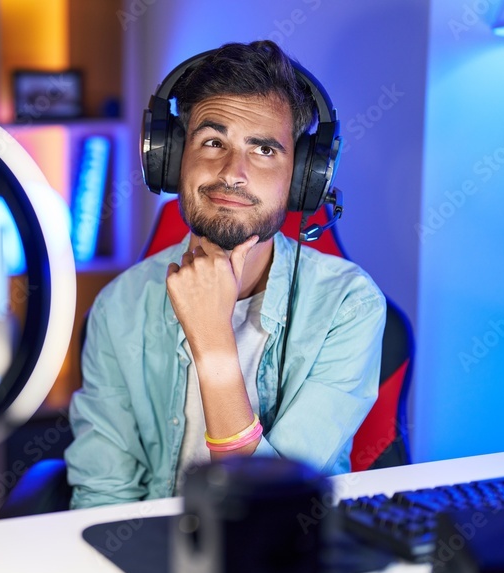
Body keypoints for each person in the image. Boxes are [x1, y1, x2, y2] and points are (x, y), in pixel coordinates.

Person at [64, 41, 386, 509]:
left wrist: (213, 340)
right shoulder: (120, 306)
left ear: (302, 178)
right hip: (154, 556)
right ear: (171, 160)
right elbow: (103, 499)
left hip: (283, 567)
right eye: (213, 142)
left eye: (263, 149)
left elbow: (271, 512)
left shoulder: (348, 306)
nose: (233, 172)